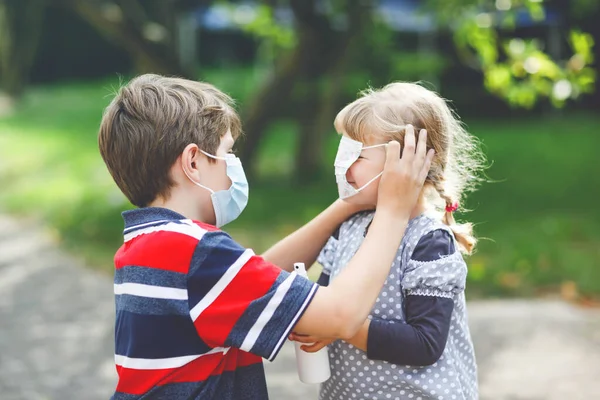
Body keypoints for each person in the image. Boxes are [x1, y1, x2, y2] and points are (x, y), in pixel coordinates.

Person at [97, 74, 434, 399]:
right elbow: (341, 315)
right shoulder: (196, 253)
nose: (233, 164)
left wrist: (345, 205)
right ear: (193, 162)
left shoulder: (147, 246)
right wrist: (393, 209)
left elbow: (259, 274)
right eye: (227, 152)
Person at [291, 82, 486, 400]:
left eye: (357, 154)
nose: (343, 165)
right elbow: (327, 301)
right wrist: (316, 322)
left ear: (409, 160)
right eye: (343, 151)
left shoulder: (428, 243)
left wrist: (341, 325)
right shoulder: (349, 227)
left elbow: (425, 344)